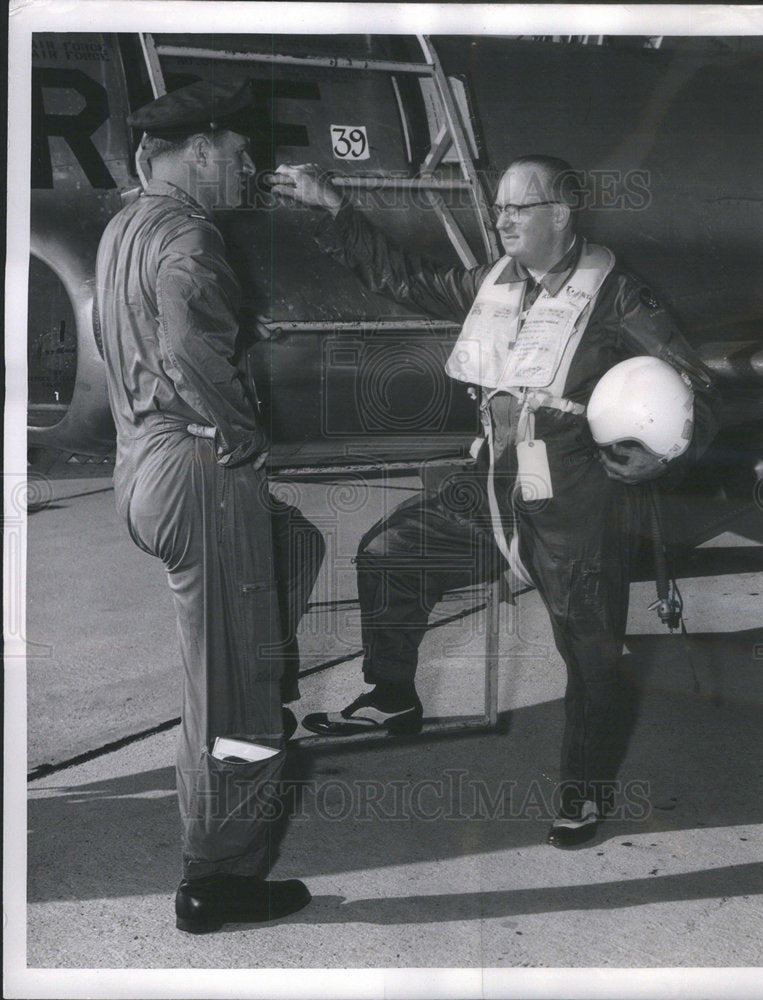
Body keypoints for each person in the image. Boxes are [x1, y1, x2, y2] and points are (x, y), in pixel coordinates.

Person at [269, 155, 720, 847]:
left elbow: (693, 390)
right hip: (492, 487)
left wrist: (660, 453)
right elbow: (404, 279)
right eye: (500, 207)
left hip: (572, 499)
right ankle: (392, 696)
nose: (502, 218)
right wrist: (335, 209)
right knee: (390, 553)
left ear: (560, 216)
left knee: (589, 650)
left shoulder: (621, 295)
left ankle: (583, 789)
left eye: (519, 207)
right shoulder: (493, 283)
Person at [95, 79, 320, 932]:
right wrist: (240, 428)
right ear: (199, 148)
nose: (250, 168)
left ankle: (259, 660)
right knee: (235, 697)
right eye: (239, 154)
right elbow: (189, 338)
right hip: (198, 468)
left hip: (143, 470)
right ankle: (217, 879)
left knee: (294, 548)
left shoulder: (127, 225)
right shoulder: (189, 231)